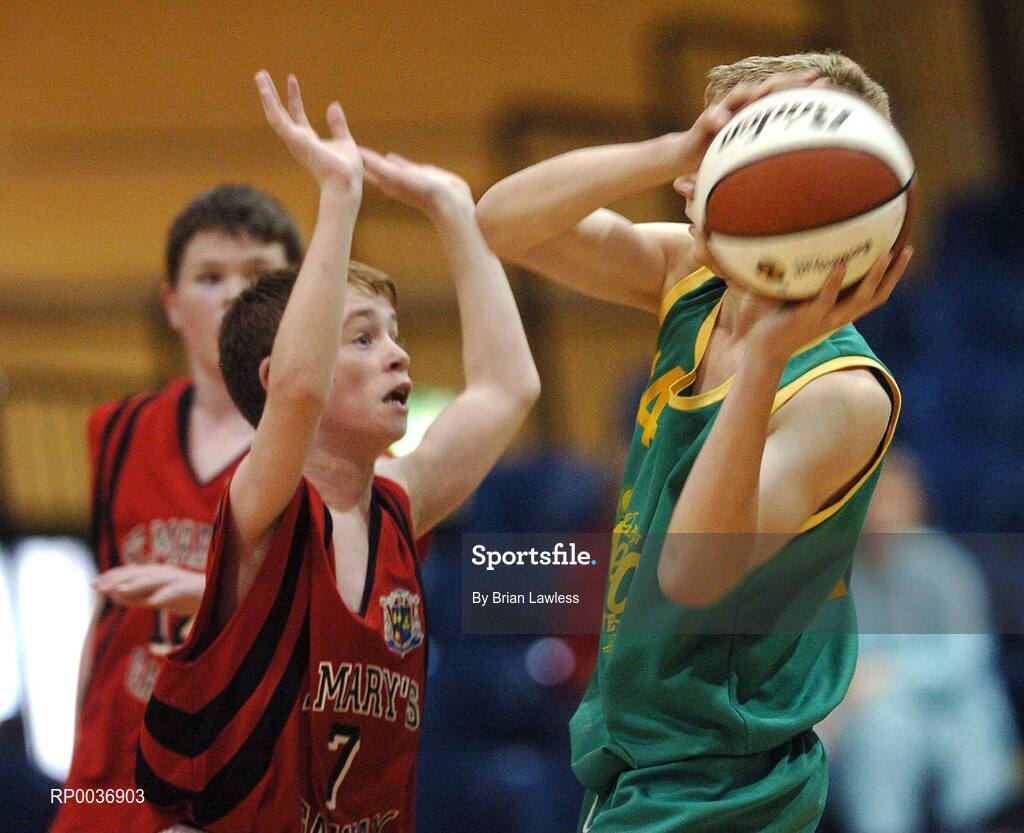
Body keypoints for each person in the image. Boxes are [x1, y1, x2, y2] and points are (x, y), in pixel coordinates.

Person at [476, 52, 912, 833]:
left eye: (745, 143)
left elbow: (692, 569)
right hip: (640, 761)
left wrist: (766, 359)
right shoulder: (692, 275)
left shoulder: (839, 391)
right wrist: (669, 147)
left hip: (724, 780)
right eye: (717, 144)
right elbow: (502, 221)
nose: (703, 170)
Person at [136, 72, 539, 833]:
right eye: (362, 336)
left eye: (393, 333)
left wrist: (456, 211)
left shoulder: (395, 503)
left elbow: (507, 389)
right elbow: (295, 391)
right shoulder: (268, 507)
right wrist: (339, 199)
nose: (395, 354)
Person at [51, 185, 302, 833]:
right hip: (112, 777)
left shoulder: (321, 450)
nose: (231, 294)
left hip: (242, 779)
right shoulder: (118, 430)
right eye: (209, 275)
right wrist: (82, 755)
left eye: (257, 275)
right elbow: (108, 607)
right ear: (171, 303)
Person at [824, 448, 1019, 833]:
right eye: (871, 499)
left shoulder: (946, 564)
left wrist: (885, 678)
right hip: (871, 714)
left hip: (954, 710)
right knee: (877, 726)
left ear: (914, 501)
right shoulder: (841, 570)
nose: (880, 513)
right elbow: (834, 654)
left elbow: (967, 658)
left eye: (891, 498)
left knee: (898, 726)